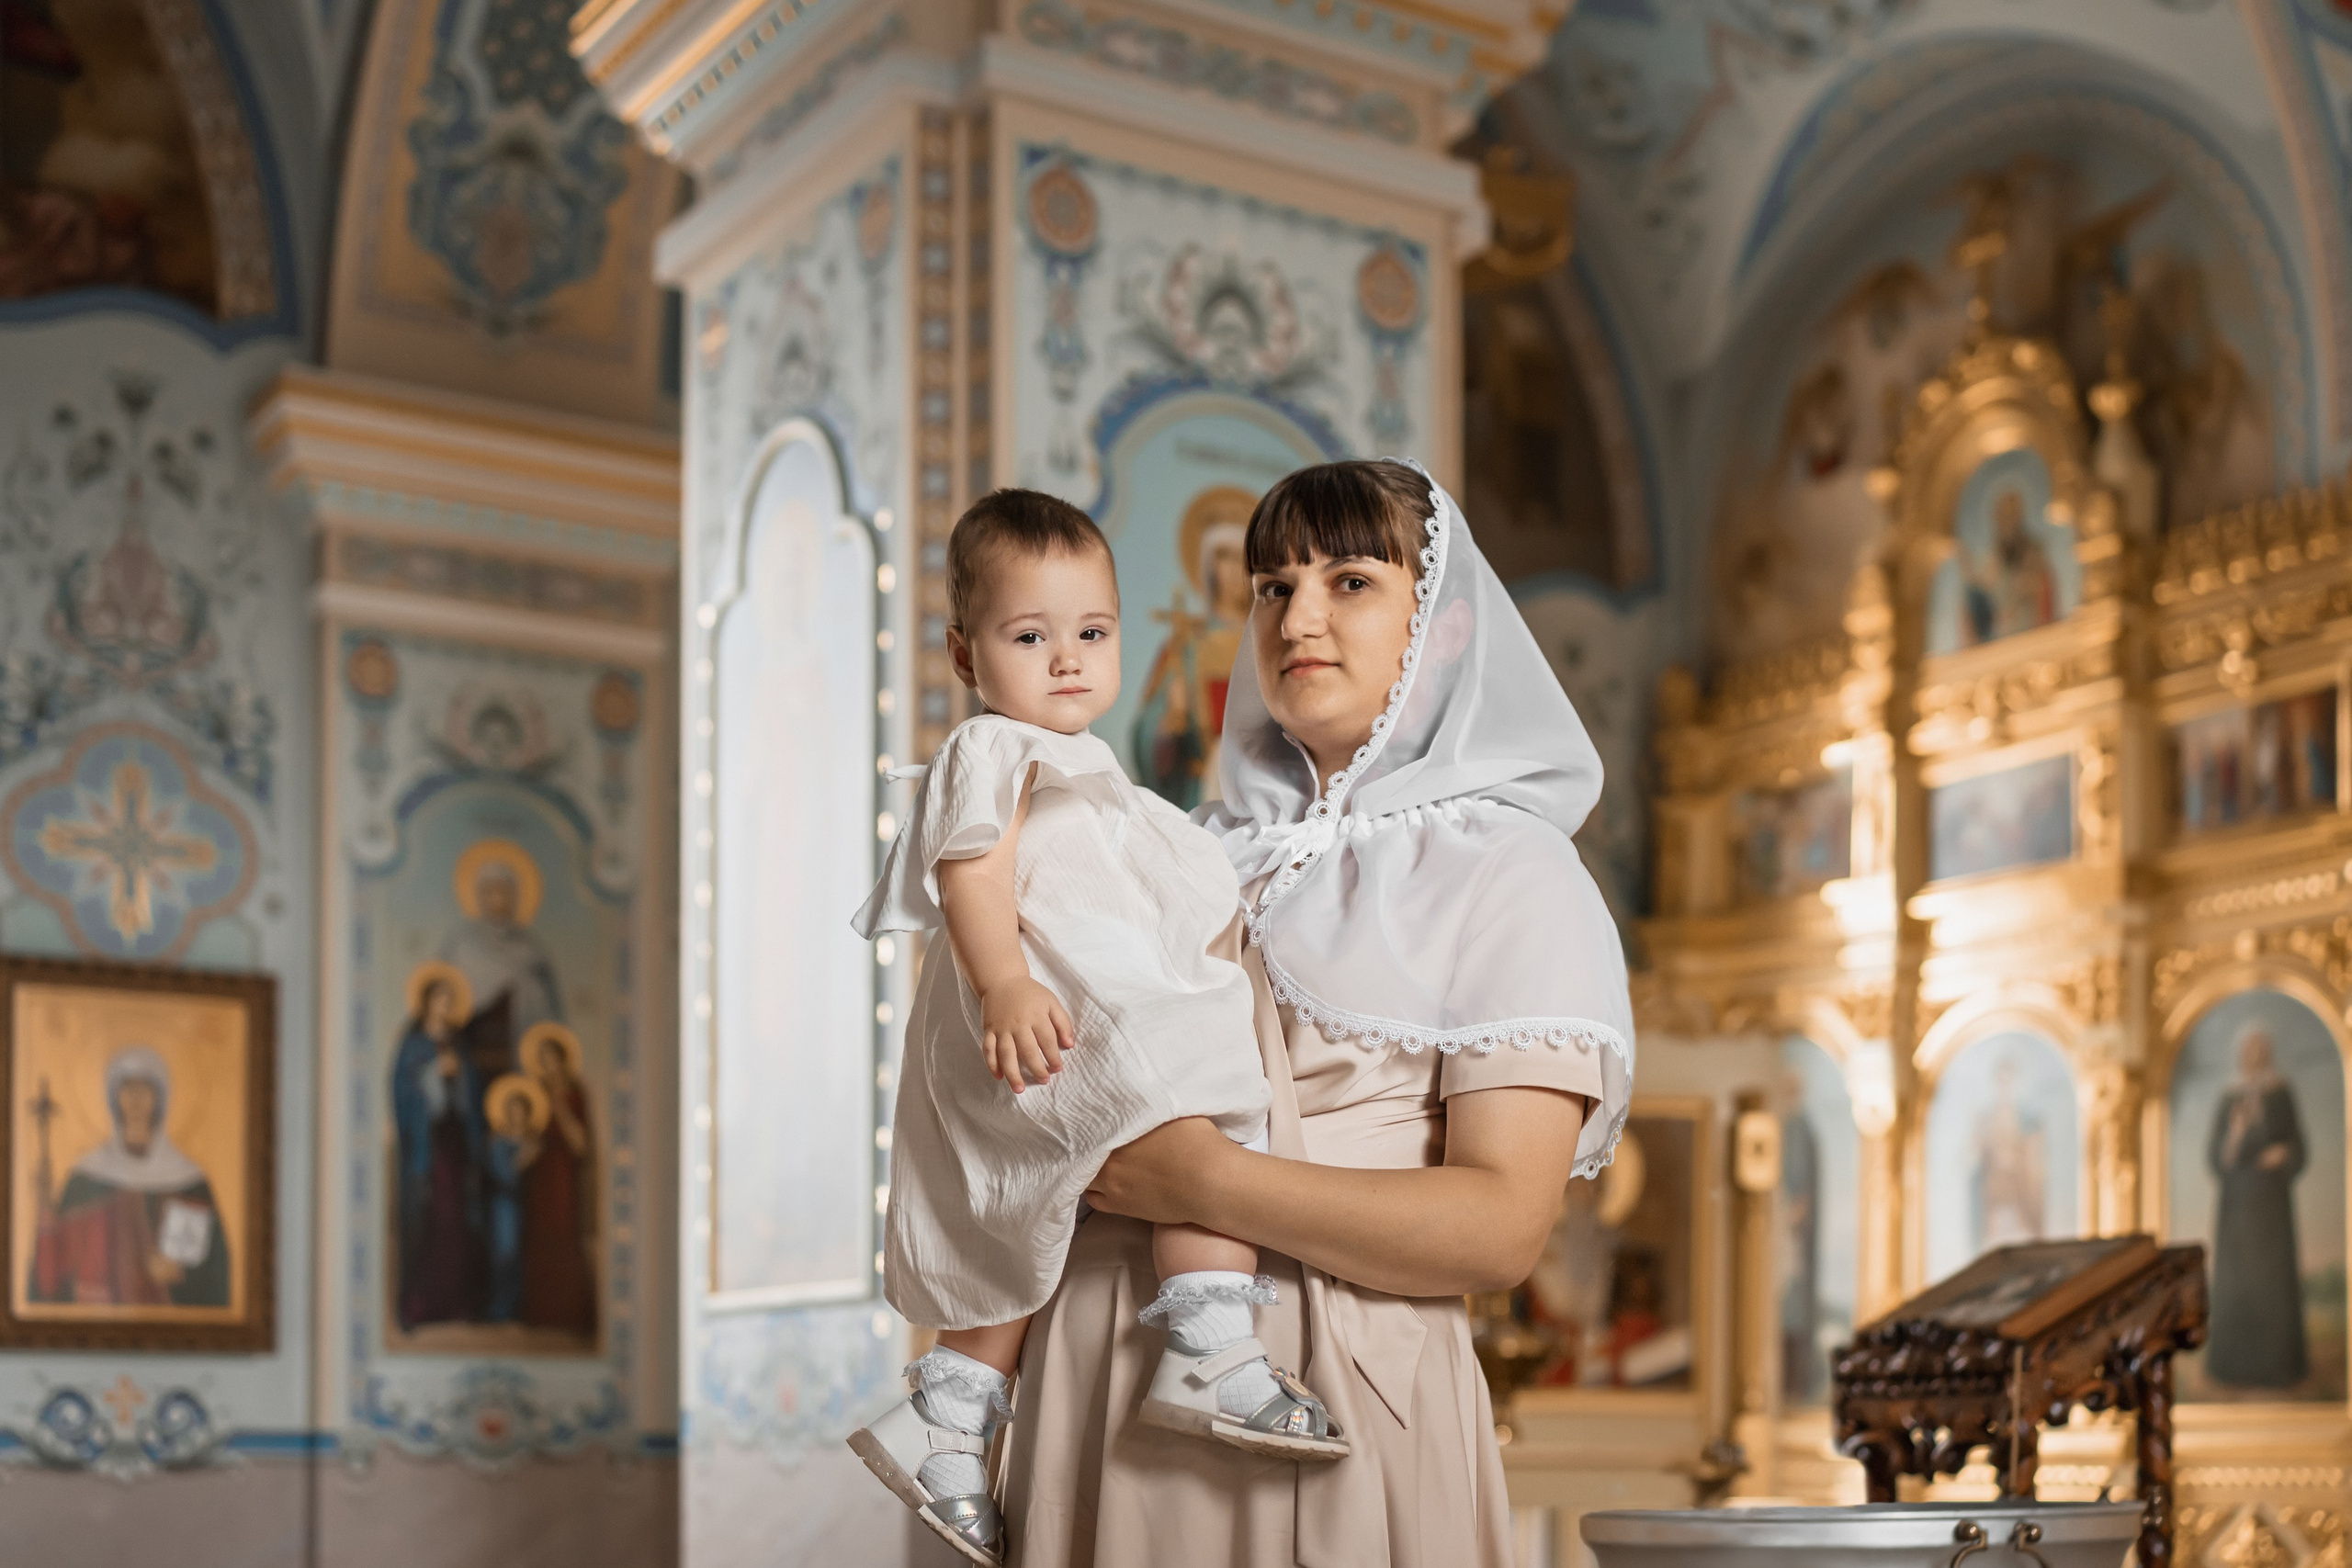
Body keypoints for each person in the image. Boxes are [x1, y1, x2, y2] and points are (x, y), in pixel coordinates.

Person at [1005, 458, 1634, 1566]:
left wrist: (1203, 1185)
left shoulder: (1511, 869)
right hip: (1099, 1369)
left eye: (1349, 580)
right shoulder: (1182, 852)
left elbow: (1501, 1226)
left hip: (1334, 1382)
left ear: (1440, 627)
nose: (1297, 615)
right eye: (1272, 585)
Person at [847, 490, 1345, 1566]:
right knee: (1207, 1089)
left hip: (1049, 1010)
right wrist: (1003, 983)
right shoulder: (993, 748)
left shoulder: (1094, 773)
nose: (1067, 660)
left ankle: (950, 1415)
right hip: (1031, 1008)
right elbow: (971, 866)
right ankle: (1208, 1335)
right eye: (1031, 637)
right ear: (965, 653)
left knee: (1030, 1212)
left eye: (1092, 633)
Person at [28, 1045, 231, 1307]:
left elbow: (215, 1273)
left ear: (160, 1099)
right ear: (114, 1098)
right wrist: (44, 1206)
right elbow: (56, 1267)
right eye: (127, 1088)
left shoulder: (189, 1180)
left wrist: (180, 1272)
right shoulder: (87, 1175)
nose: (135, 1099)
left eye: (145, 1089)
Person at [2207, 1021, 2309, 1389]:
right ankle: (2232, 1368)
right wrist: (2234, 1135)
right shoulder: (2228, 1098)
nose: (2253, 1057)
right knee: (2237, 1283)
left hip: (2272, 1208)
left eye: (2259, 1051)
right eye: (2247, 1051)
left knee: (2273, 1284)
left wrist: (2283, 1154)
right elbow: (2216, 1159)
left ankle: (2279, 1367)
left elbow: (2299, 1148)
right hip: (2236, 1209)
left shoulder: (2280, 1094)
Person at [392, 973, 486, 1329]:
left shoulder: (458, 1046)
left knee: (455, 1222)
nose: (447, 1007)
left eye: (451, 1000)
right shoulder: (413, 1045)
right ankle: (418, 1307)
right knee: (425, 1219)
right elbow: (402, 1093)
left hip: (454, 1144)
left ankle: (455, 1303)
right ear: (427, 1003)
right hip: (425, 1147)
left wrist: (460, 1077)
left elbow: (471, 1098)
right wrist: (433, 1075)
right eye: (441, 999)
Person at [518, 1026, 596, 1337]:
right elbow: (523, 1135)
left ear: (563, 1061)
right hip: (540, 1177)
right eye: (543, 1061)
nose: (549, 1067)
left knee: (564, 1234)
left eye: (553, 1060)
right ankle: (540, 1314)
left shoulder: (575, 1095)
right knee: (539, 1237)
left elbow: (581, 1144)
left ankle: (571, 1314)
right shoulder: (533, 1094)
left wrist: (560, 1109)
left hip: (563, 1176)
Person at [481, 1074, 543, 1324]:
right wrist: (525, 1158)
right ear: (506, 1112)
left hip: (532, 1206)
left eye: (521, 1110)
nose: (516, 1115)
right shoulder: (497, 1142)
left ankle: (523, 1308)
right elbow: (505, 1174)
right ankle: (502, 1307)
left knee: (528, 1255)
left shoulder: (534, 1140)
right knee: (505, 1254)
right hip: (505, 1206)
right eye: (512, 1110)